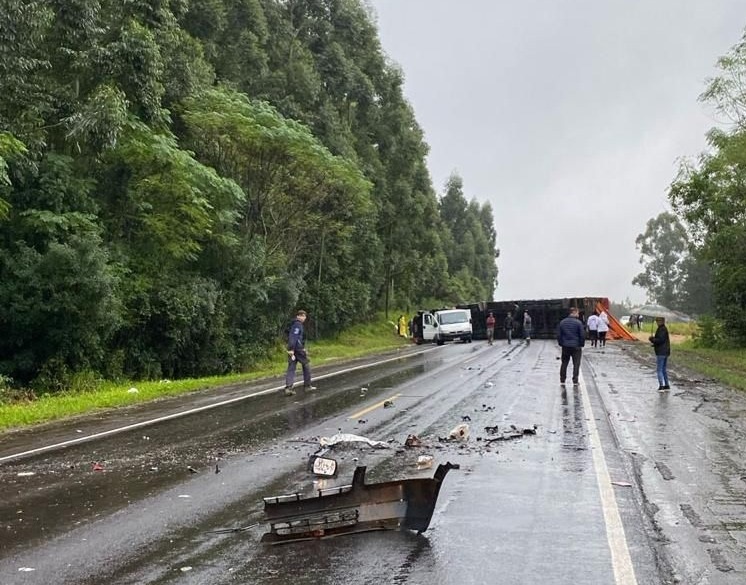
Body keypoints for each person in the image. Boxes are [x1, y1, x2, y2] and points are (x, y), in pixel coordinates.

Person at [284, 310, 316, 396]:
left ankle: (288, 388)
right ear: (298, 316)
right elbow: (294, 337)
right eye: (303, 316)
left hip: (293, 349)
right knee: (306, 364)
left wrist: (290, 349)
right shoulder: (297, 325)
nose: (304, 318)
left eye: (304, 316)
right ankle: (307, 386)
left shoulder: (293, 324)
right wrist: (292, 349)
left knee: (291, 367)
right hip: (297, 349)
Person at [557, 307, 585, 386]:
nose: (578, 314)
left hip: (565, 346)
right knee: (576, 364)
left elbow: (559, 335)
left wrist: (561, 343)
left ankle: (562, 380)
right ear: (574, 312)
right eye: (577, 313)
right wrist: (581, 344)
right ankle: (575, 380)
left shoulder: (562, 322)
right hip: (576, 347)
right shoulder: (578, 323)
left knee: (564, 363)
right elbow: (582, 335)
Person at [649, 316, 671, 392]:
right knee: (664, 369)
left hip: (661, 352)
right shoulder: (664, 329)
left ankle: (661, 386)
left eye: (658, 320)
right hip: (665, 351)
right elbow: (663, 341)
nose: (657, 322)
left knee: (659, 369)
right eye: (656, 320)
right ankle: (667, 385)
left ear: (661, 321)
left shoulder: (661, 329)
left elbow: (660, 340)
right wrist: (654, 342)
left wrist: (652, 339)